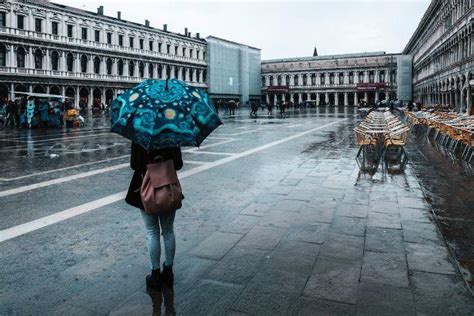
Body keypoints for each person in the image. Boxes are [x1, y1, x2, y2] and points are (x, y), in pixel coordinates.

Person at [125, 143, 183, 314]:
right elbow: (178, 164)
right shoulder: (171, 132)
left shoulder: (140, 134)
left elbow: (134, 164)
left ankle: (155, 275)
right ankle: (169, 272)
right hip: (168, 188)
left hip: (145, 188)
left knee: (152, 232)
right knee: (168, 230)